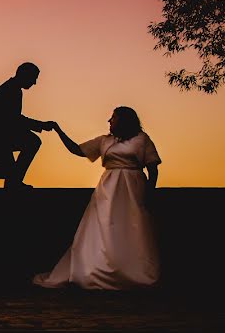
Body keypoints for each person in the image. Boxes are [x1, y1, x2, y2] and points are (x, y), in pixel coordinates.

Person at [33, 106, 162, 290]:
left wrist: (150, 191)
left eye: (113, 117)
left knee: (133, 226)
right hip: (108, 189)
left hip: (133, 188)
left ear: (124, 120)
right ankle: (98, 269)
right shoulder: (104, 141)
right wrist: (59, 130)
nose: (109, 121)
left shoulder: (142, 140)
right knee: (104, 227)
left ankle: (133, 271)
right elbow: (77, 150)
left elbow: (153, 168)